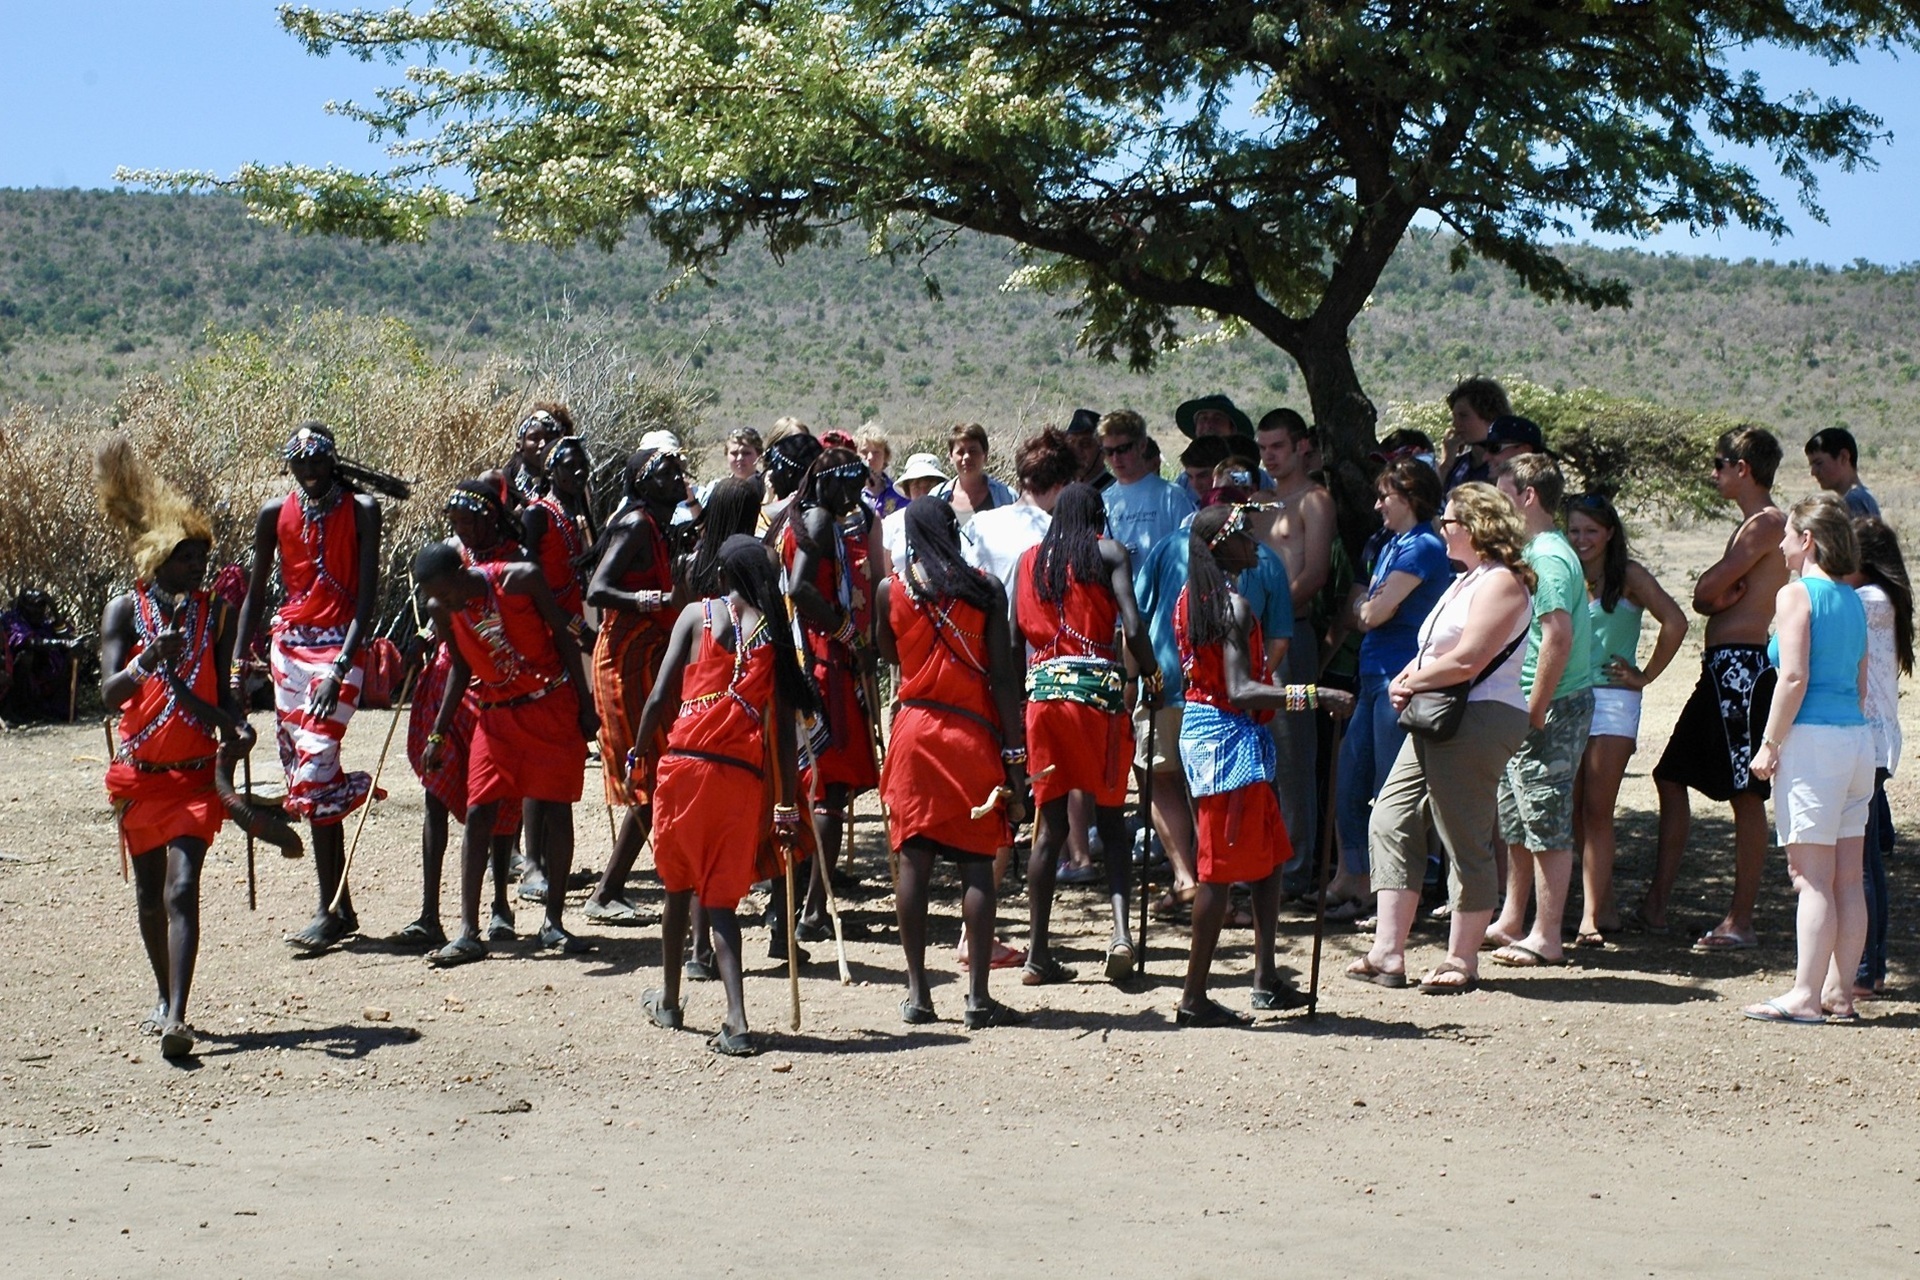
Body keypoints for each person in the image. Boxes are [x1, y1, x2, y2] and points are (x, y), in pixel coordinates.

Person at [95, 436, 253, 1060]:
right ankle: (163, 994)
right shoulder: (123, 614)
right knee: (149, 894)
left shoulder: (211, 614)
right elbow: (110, 693)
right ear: (159, 561)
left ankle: (178, 1017)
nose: (199, 569)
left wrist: (238, 725)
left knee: (182, 889)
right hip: (140, 776)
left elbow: (225, 686)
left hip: (193, 778)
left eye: (202, 559)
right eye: (188, 559)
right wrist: (143, 664)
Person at [632, 535, 815, 1057]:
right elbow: (780, 726)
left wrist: (636, 750)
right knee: (719, 900)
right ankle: (735, 1018)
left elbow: (660, 693)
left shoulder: (696, 615)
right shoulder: (774, 633)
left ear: (722, 572)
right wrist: (784, 802)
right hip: (739, 776)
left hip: (684, 767)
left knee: (676, 884)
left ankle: (669, 999)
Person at [1349, 483, 1533, 992]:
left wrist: (1410, 681)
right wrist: (1412, 674)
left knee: (1462, 835)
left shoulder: (1501, 582)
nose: (1441, 530)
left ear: (1475, 528)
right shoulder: (1466, 580)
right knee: (1391, 817)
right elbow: (1436, 648)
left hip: (1478, 717)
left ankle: (1461, 960)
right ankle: (1388, 953)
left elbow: (1471, 657)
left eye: (1448, 522)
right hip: (1439, 716)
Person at [1175, 502, 1352, 1024]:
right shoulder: (1231, 606)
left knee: (1271, 858)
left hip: (1221, 736)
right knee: (1218, 872)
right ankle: (1193, 997)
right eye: (1243, 535)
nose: (1255, 543)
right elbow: (1240, 688)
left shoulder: (1193, 600)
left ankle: (1266, 978)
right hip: (1227, 741)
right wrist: (1313, 695)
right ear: (1218, 547)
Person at [878, 498, 1031, 1028]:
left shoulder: (892, 590)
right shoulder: (986, 589)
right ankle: (978, 999)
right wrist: (1016, 762)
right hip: (972, 736)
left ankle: (920, 995)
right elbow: (1006, 676)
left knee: (914, 861)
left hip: (915, 736)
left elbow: (888, 654)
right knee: (976, 867)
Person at [232, 422, 382, 954]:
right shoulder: (275, 514)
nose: (310, 470)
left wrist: (342, 666)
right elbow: (254, 593)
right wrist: (236, 662)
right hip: (288, 650)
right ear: (289, 465)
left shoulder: (362, 509)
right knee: (309, 774)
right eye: (300, 462)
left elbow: (368, 597)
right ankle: (339, 906)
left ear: (332, 460)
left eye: (318, 461)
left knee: (317, 766)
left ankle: (328, 910)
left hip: (340, 648)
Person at [1638, 427, 1789, 947]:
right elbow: (1707, 598)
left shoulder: (1765, 524)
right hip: (1723, 666)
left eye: (1720, 463)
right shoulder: (1755, 525)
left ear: (1743, 468)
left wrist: (1713, 597)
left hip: (1742, 671)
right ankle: (1656, 904)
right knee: (1671, 773)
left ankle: (1740, 921)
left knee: (1746, 792)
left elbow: (1705, 590)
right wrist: (1712, 599)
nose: (1713, 473)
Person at [414, 539, 599, 965]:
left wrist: (587, 704)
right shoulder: (443, 610)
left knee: (556, 809)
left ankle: (553, 922)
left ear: (463, 570)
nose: (445, 601)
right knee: (479, 811)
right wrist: (437, 734)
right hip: (495, 715)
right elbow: (460, 668)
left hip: (550, 704)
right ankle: (467, 932)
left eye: (447, 591)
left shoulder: (520, 579)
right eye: (436, 596)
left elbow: (563, 637)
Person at [1014, 483, 1161, 985]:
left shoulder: (1029, 561)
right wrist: (1155, 675)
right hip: (1098, 701)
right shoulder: (1108, 552)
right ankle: (1120, 934)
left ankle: (1037, 954)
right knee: (1112, 821)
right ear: (1098, 515)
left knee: (1050, 827)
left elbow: (1016, 642)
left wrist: (1019, 705)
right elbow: (1134, 627)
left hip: (1043, 703)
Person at [1743, 496, 1874, 1024]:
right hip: (1854, 739)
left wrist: (1770, 745)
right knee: (1847, 875)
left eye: (1788, 534)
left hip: (1813, 741)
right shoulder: (1853, 600)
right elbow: (1861, 685)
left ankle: (1804, 994)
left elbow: (1793, 677)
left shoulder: (1796, 595)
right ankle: (1839, 994)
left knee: (1812, 877)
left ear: (1808, 540)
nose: (1780, 543)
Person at [395, 481, 526, 949]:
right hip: (448, 681)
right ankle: (430, 912)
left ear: (492, 516)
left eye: (470, 520)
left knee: (493, 803)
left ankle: (499, 904)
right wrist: (422, 640)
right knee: (435, 793)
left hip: (497, 684)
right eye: (456, 522)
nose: (463, 529)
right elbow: (441, 620)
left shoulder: (514, 560)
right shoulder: (449, 556)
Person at [1326, 459, 1452, 914]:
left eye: (1386, 497)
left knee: (1389, 790)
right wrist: (1366, 606)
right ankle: (1353, 876)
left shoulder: (1422, 548)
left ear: (1412, 498)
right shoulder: (1392, 546)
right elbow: (1362, 610)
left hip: (1400, 680)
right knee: (1351, 777)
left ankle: (1391, 896)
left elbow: (1370, 615)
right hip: (1374, 676)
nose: (1377, 505)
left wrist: (1366, 606)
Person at [1484, 453, 1593, 968]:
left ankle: (1547, 934)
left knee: (1546, 817)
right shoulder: (1541, 550)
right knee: (1517, 814)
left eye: (1504, 492)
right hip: (1533, 704)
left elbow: (1558, 635)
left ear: (1528, 496)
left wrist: (1535, 706)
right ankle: (1513, 919)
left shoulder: (1547, 558)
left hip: (1549, 707)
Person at [1564, 492, 1687, 946]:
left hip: (1614, 699)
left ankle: (1592, 917)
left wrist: (1645, 676)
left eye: (1591, 531)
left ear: (1610, 533)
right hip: (1569, 696)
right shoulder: (1565, 571)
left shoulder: (1629, 575)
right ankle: (1604, 906)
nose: (1582, 540)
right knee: (1575, 807)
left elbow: (1675, 622)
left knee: (1598, 807)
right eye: (1574, 531)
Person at [777, 447, 881, 946]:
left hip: (813, 655)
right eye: (848, 485)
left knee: (816, 785)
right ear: (828, 483)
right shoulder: (818, 520)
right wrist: (848, 634)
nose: (854, 497)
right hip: (822, 660)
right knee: (830, 785)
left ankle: (801, 903)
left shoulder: (805, 517)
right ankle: (813, 908)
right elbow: (800, 589)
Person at [582, 446, 690, 922]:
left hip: (652, 655)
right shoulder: (636, 525)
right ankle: (607, 892)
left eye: (679, 471)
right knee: (649, 772)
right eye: (666, 472)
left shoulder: (661, 527)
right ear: (644, 483)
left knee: (661, 770)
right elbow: (598, 590)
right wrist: (657, 599)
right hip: (626, 657)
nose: (677, 478)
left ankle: (621, 888)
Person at [1248, 407, 1333, 893]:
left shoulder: (1315, 501)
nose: (1269, 456)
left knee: (1294, 750)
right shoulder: (1257, 503)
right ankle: (1262, 859)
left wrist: (1273, 619)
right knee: (1258, 753)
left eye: (1277, 446)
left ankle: (1297, 868)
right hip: (1250, 643)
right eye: (1262, 448)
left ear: (1301, 445)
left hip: (1292, 640)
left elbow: (1315, 574)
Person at [1845, 518, 1909, 1000]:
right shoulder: (1884, 601)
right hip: (1877, 741)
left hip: (1867, 741)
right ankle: (1871, 965)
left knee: (1862, 864)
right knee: (1868, 861)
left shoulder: (1867, 602)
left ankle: (1866, 967)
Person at [520, 435, 597, 633]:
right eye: (570, 466)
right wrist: (579, 629)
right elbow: (532, 587)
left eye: (583, 464)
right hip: (550, 627)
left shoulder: (580, 515)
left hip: (579, 618)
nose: (580, 472)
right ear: (550, 472)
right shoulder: (538, 514)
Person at [1101, 409, 1195, 566]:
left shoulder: (1172, 496)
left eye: (1123, 449)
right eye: (1108, 452)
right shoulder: (1104, 500)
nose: (1116, 458)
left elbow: (1188, 552)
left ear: (1142, 445)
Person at [878, 452, 950, 572]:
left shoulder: (949, 520)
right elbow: (887, 572)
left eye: (929, 486)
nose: (923, 492)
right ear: (907, 490)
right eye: (916, 486)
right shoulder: (893, 521)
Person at [1438, 377, 1511, 495]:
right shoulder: (1456, 465)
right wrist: (1446, 462)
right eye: (1454, 417)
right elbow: (1429, 502)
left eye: (1463, 416)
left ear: (1489, 416)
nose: (1455, 424)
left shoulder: (1507, 466)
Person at [935, 422, 1015, 523]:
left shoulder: (1007, 497)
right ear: (951, 457)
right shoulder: (936, 496)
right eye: (960, 452)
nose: (967, 457)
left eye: (973, 451)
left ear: (985, 456)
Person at [1804, 427, 1881, 519]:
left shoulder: (1853, 501)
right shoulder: (1864, 496)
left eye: (1819, 463)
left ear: (1843, 457)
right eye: (1812, 465)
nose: (1813, 472)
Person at [501, 405, 569, 507]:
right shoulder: (499, 481)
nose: (543, 444)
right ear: (519, 445)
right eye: (534, 438)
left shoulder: (569, 483)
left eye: (549, 438)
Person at [759, 431, 823, 535]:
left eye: (775, 468)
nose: (770, 475)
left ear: (789, 472)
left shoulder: (768, 516)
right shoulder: (838, 512)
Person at [854, 423, 907, 518]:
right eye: (864, 452)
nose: (870, 457)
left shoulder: (899, 494)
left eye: (876, 452)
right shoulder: (849, 495)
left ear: (885, 456)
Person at [1064, 408, 1113, 491]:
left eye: (1085, 444)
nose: (1076, 449)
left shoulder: (1114, 491)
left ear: (1103, 451)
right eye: (1071, 442)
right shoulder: (1059, 490)